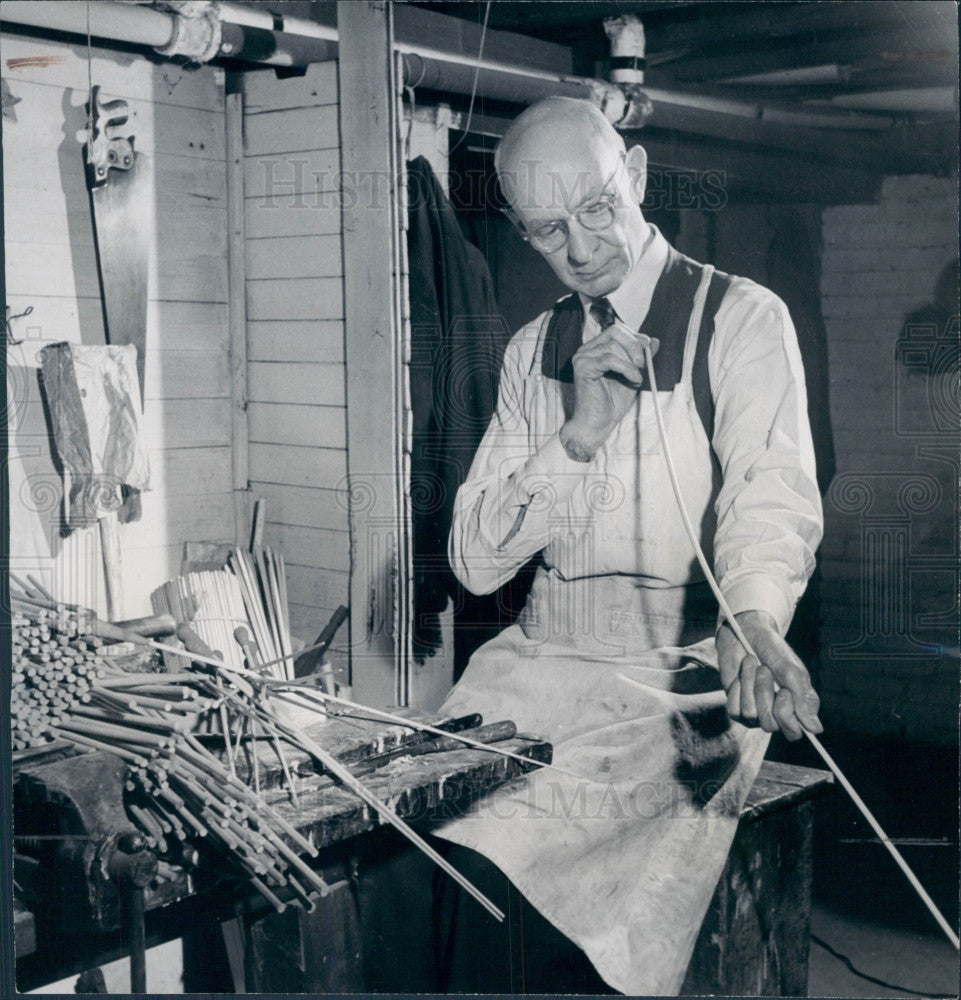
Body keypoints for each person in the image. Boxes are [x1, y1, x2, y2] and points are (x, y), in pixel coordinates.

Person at [430, 97, 824, 995]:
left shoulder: (739, 319)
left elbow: (773, 496)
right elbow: (474, 562)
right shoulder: (534, 350)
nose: (578, 250)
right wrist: (575, 437)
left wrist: (754, 618)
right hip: (540, 661)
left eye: (597, 209)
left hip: (681, 674)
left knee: (527, 879)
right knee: (441, 848)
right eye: (545, 231)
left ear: (636, 177)